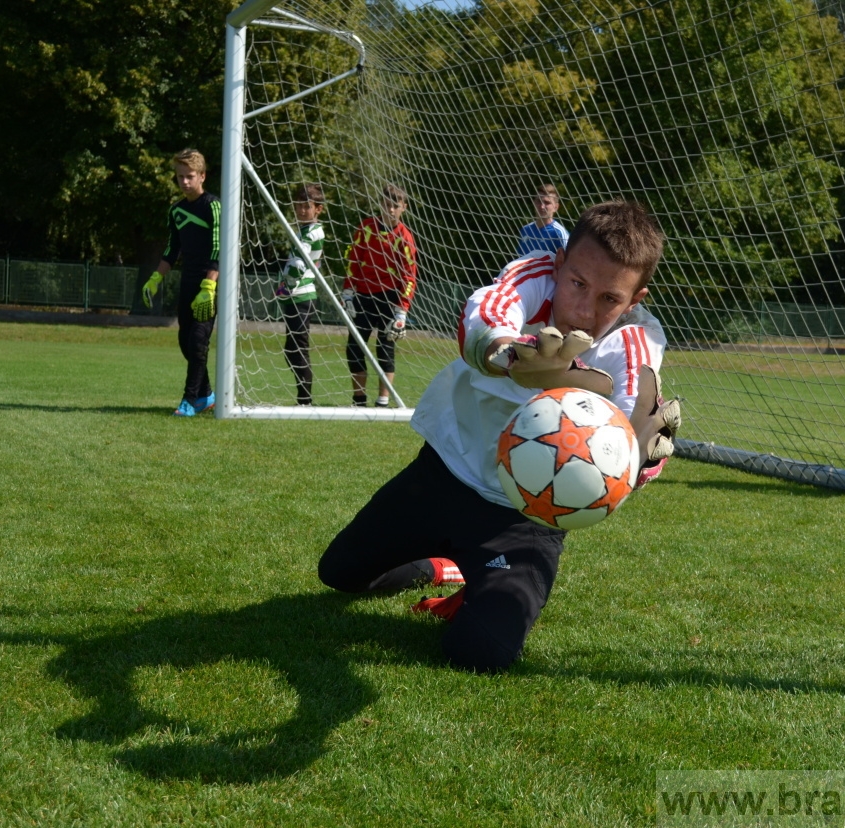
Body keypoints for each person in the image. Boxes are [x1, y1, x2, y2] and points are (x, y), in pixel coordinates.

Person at [319, 201, 681, 672]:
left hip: (524, 519)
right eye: (577, 284)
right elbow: (487, 311)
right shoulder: (533, 275)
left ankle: (477, 572)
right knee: (340, 573)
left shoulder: (636, 340)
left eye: (610, 299)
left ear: (635, 300)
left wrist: (642, 456)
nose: (585, 309)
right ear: (559, 265)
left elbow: (638, 408)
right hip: (442, 475)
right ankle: (439, 565)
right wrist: (509, 351)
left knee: (481, 652)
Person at [141, 148, 221, 417]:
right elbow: (171, 250)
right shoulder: (176, 210)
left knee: (199, 341)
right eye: (179, 177)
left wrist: (209, 286)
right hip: (187, 284)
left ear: (202, 176)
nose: (184, 182)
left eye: (189, 176)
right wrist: (155, 278)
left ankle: (189, 400)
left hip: (209, 285)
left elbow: (218, 248)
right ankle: (206, 395)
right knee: (186, 342)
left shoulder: (213, 206)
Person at [341, 184, 418, 408]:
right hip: (362, 297)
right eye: (386, 204)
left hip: (389, 299)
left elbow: (409, 277)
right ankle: (358, 399)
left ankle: (383, 401)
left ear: (404, 208)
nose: (390, 210)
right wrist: (347, 292)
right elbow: (353, 261)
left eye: (396, 206)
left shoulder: (405, 238)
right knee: (354, 346)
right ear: (380, 205)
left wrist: (401, 310)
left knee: (385, 347)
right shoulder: (365, 228)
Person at [275, 183, 327, 406]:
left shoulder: (312, 232)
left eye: (307, 206)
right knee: (291, 350)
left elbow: (299, 262)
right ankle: (303, 398)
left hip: (302, 296)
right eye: (299, 205)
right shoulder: (304, 230)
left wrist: (287, 283)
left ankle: (305, 400)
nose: (302, 210)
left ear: (318, 209)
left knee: (298, 349)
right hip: (295, 296)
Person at [517, 183, 569, 257]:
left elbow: (567, 262)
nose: (542, 206)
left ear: (556, 207)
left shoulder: (559, 233)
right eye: (539, 201)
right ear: (534, 203)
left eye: (547, 203)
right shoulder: (526, 229)